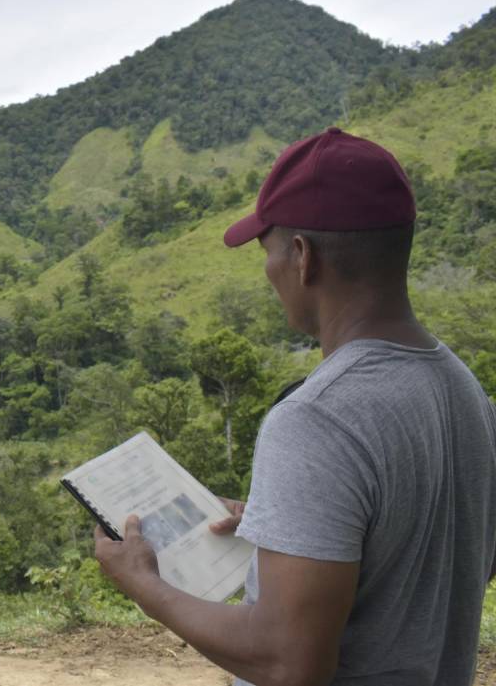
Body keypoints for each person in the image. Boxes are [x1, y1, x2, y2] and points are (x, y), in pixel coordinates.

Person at [92, 127, 496, 685]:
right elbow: (446, 558)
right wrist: (288, 527)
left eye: (268, 252)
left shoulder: (316, 419)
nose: (269, 273)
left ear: (302, 256)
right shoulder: (466, 392)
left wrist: (146, 585)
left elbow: (288, 662)